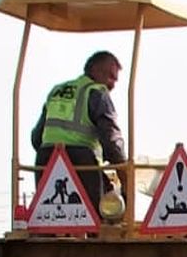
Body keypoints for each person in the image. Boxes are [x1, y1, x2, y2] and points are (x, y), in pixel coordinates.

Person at [31, 51, 127, 209]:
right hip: (81, 163)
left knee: (49, 217)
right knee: (105, 210)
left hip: (45, 162)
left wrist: (57, 157)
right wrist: (125, 175)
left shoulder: (56, 91)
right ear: (95, 70)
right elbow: (111, 142)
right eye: (110, 76)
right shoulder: (96, 92)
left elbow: (37, 138)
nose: (112, 85)